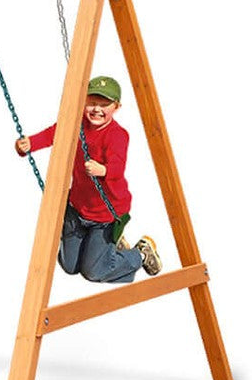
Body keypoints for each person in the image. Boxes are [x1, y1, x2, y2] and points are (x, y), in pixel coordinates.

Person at [15, 76, 162, 283]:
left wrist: (103, 170)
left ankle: (139, 254)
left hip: (106, 213)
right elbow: (52, 134)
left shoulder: (118, 135)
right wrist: (29, 144)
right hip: (79, 207)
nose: (96, 110)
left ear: (116, 107)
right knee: (69, 266)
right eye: (92, 103)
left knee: (93, 272)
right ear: (84, 101)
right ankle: (106, 251)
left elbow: (117, 166)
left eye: (104, 105)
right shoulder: (76, 124)